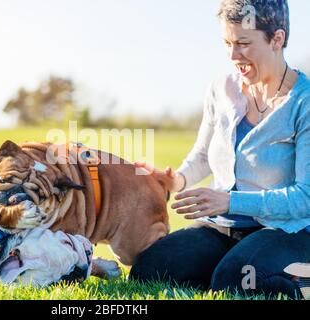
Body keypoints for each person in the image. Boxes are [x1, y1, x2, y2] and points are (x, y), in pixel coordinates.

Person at [129, 0, 310, 299]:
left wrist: (230, 202)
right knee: (149, 270)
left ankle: (298, 280)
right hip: (223, 228)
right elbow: (203, 154)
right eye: (227, 42)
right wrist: (175, 180)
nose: (232, 55)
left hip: (285, 231)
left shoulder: (302, 103)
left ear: (277, 39)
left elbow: (305, 198)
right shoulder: (221, 89)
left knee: (234, 282)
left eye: (243, 43)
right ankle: (229, 266)